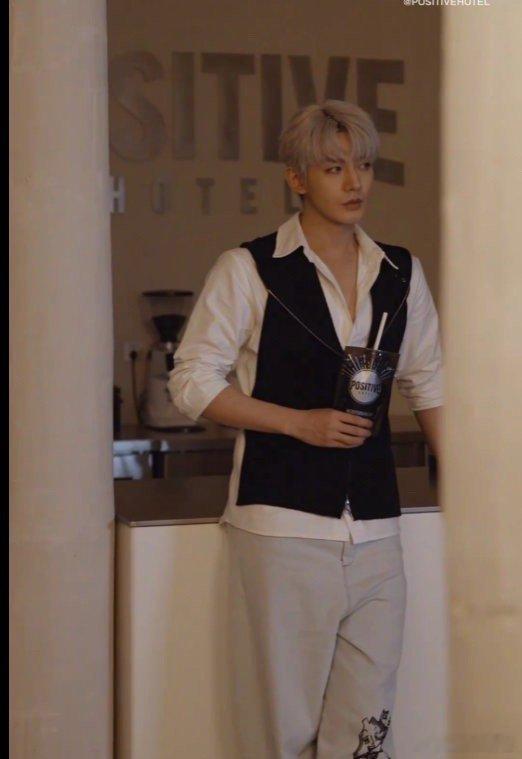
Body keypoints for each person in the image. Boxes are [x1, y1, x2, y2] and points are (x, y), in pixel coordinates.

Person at [168, 99, 443, 758]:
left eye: (365, 166)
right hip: (282, 530)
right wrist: (298, 423)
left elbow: (429, 383)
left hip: (376, 532)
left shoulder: (401, 273)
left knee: (367, 736)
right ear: (297, 177)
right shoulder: (249, 268)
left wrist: (484, 497)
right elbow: (192, 382)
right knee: (282, 732)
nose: (355, 183)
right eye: (334, 167)